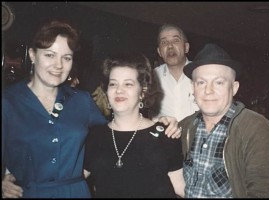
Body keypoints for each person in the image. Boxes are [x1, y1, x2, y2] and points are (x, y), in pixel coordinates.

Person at [1, 19, 181, 198]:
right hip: (28, 193)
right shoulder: (7, 102)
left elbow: (117, 132)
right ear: (32, 55)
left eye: (67, 57)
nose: (58, 65)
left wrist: (159, 123)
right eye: (50, 55)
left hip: (75, 192)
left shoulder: (81, 101)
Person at [179, 43, 269, 198]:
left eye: (219, 82)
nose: (208, 90)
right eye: (201, 82)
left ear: (234, 87)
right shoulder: (185, 127)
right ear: (193, 87)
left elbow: (268, 192)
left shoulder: (258, 130)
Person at [83, 52, 185, 198]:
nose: (119, 90)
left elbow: (181, 187)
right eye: (113, 84)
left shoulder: (166, 134)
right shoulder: (94, 135)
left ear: (142, 92)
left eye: (128, 84)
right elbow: (70, 179)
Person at [154, 24, 198, 121]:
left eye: (176, 40)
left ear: (186, 47)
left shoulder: (201, 72)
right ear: (159, 52)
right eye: (164, 42)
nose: (169, 46)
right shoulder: (152, 77)